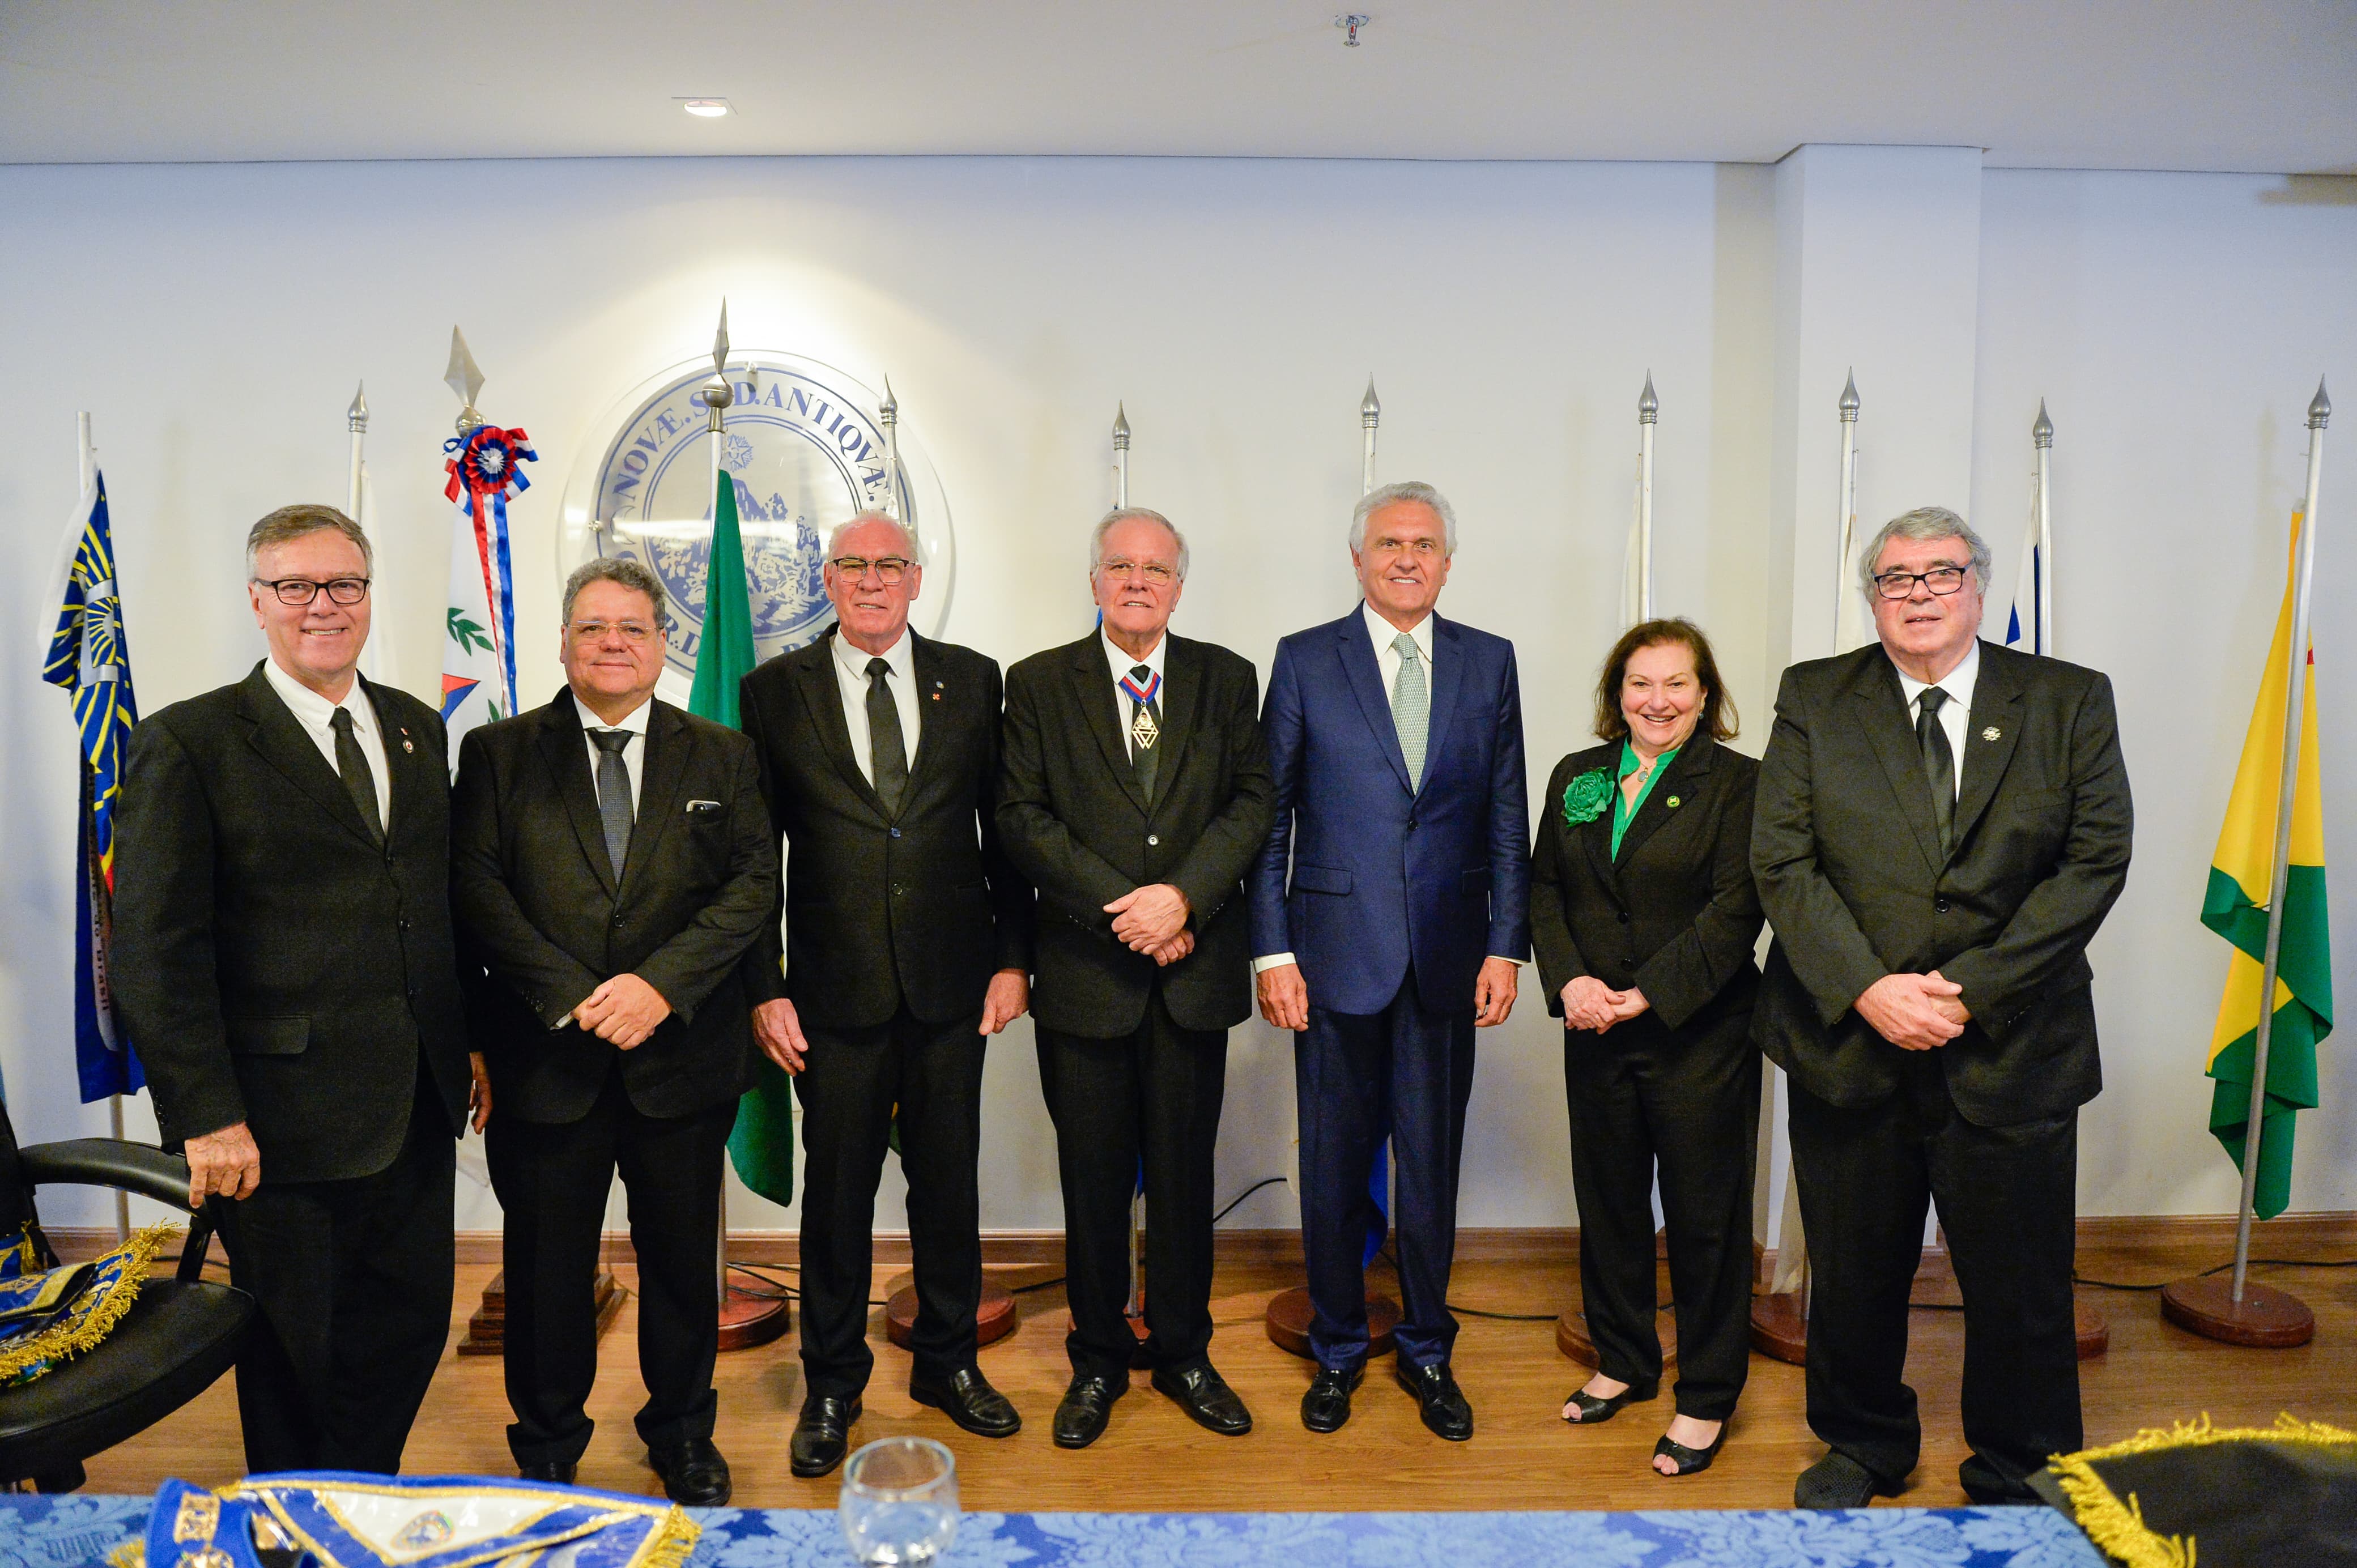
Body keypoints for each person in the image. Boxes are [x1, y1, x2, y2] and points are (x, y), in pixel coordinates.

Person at [1753, 506, 2132, 1507]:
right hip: (1850, 1038)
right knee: (1853, 1275)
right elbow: (1782, 861)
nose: (1917, 595)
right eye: (1895, 579)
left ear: (1977, 585)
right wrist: (1872, 989)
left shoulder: (2068, 700)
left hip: (2012, 1045)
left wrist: (1967, 994)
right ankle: (1864, 1444)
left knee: (2021, 1290)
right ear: (1871, 596)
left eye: (1939, 574)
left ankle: (2022, 1463)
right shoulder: (1814, 697)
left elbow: (2096, 862)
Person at [112, 504, 478, 1474]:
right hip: (276, 1120)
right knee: (294, 1356)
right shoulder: (189, 743)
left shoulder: (414, 728)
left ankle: (360, 1504)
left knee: (403, 1333)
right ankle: (291, 1524)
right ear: (259, 602)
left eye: (344, 585)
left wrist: (467, 1042)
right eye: (296, 587)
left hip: (413, 1100)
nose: (324, 605)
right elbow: (155, 949)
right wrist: (207, 1115)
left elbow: (429, 907)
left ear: (367, 594)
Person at [451, 557, 776, 1505]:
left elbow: (754, 887)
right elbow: (476, 890)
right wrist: (576, 994)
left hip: (682, 1059)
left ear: (663, 643)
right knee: (547, 1273)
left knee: (681, 1269)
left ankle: (680, 1433)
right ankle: (549, 1444)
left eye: (633, 628)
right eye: (593, 628)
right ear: (563, 640)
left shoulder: (723, 754)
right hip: (548, 1059)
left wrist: (658, 988)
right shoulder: (498, 753)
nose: (613, 644)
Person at [738, 512, 1035, 1478]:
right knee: (837, 1198)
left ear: (916, 576)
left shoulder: (974, 678)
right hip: (832, 993)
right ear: (826, 578)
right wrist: (765, 989)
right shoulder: (772, 692)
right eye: (852, 565)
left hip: (954, 985)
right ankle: (831, 1383)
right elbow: (756, 861)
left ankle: (948, 1363)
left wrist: (1013, 958)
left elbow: (1007, 836)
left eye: (890, 565)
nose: (872, 581)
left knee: (950, 1185)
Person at [1250, 480, 1529, 1441]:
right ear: (1358, 559)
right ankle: (1335, 1349)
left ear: (1448, 561)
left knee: (1431, 1169)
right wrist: (1272, 951)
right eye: (1388, 544)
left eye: (1424, 544)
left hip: (1451, 960)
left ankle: (1426, 1348)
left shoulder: (1489, 663)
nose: (1406, 558)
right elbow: (1268, 818)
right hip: (1328, 959)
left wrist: (1508, 946)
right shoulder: (1301, 659)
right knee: (1331, 1166)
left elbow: (1506, 817)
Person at [997, 506, 1274, 1448]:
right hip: (1086, 977)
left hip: (1192, 977)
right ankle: (1099, 1357)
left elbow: (1252, 801)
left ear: (1178, 586)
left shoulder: (1228, 679)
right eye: (1120, 566)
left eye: (1155, 569)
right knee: (1094, 1183)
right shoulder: (1036, 685)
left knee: (1187, 1180)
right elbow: (1022, 819)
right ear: (1094, 581)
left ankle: (1188, 1352)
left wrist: (1184, 900)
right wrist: (1132, 909)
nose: (1137, 581)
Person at [1529, 619, 1763, 1477]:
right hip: (1593, 1028)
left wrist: (1648, 993)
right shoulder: (1577, 777)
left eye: (1675, 684)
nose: (1656, 701)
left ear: (1706, 695)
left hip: (1698, 1033)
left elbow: (1739, 909)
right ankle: (1624, 1359)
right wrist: (1571, 983)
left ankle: (1705, 1396)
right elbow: (1544, 886)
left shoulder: (1742, 785)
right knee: (1612, 1206)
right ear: (1616, 694)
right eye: (1639, 683)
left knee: (1706, 1220)